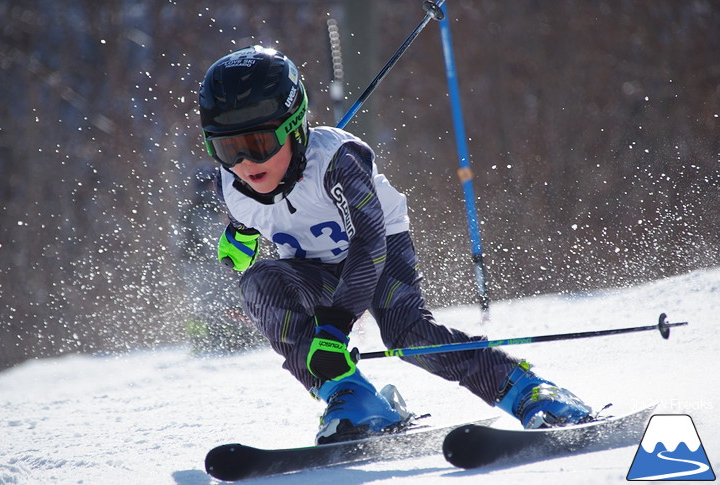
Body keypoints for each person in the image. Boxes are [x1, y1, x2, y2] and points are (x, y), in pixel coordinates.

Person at [198, 46, 593, 444]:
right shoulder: (231, 184)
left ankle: (530, 391)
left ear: (295, 126)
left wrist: (335, 325)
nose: (246, 163)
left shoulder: (338, 160)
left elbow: (368, 243)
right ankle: (352, 397)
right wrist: (240, 233)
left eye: (260, 143)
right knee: (260, 283)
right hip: (312, 271)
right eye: (228, 148)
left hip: (378, 254)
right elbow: (244, 209)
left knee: (407, 335)